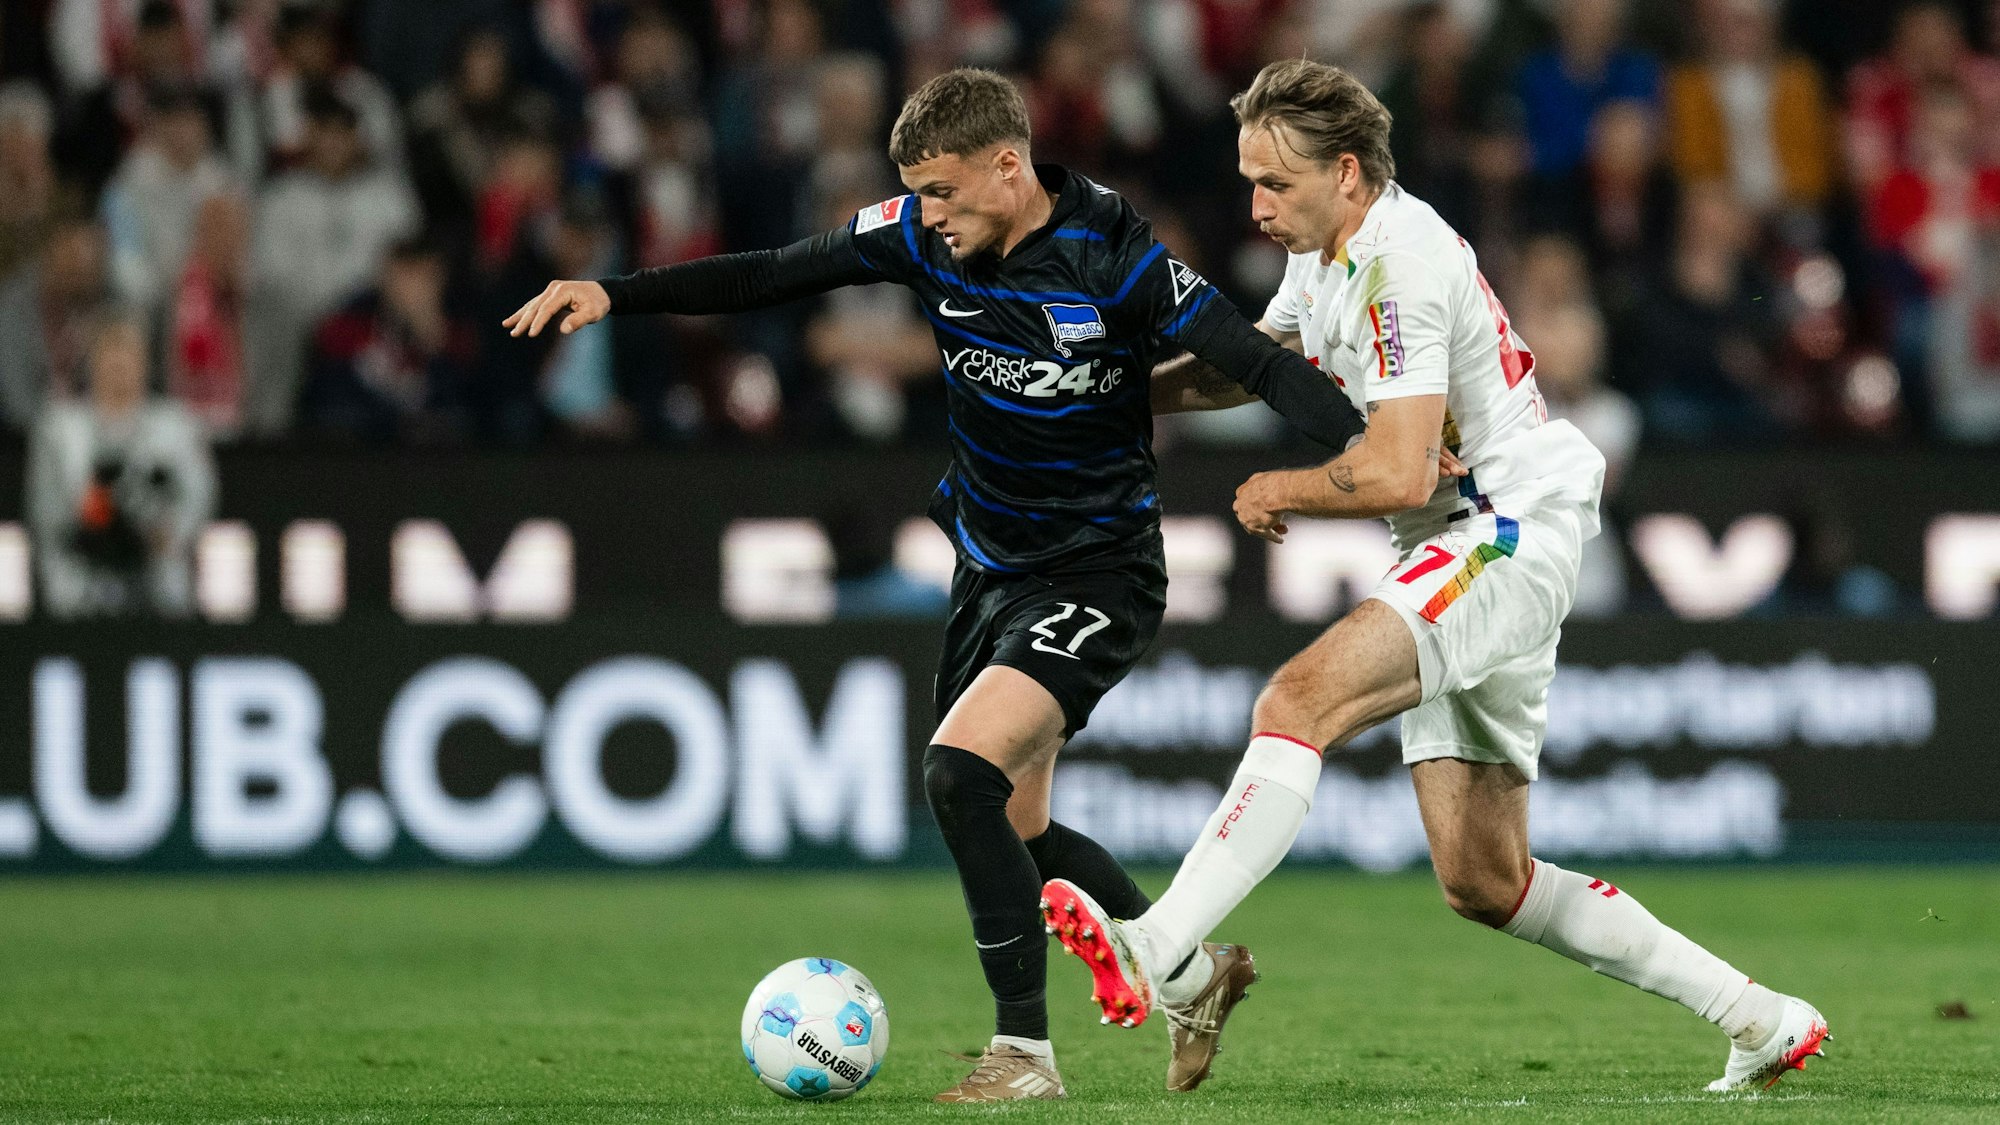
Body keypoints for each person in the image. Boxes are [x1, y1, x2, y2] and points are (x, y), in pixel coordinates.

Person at [507, 67, 1424, 1103]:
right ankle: (1190, 973)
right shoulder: (912, 232)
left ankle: (1022, 1056)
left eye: (941, 190)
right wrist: (613, 294)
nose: (925, 214)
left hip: (1099, 572)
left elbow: (1257, 367)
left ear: (1006, 165)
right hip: (988, 570)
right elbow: (770, 272)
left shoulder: (1114, 258)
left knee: (956, 775)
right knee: (1018, 828)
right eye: (916, 193)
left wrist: (1394, 450)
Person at [1041, 58, 1831, 1096]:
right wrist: (1108, 399)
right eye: (1248, 180)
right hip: (1460, 539)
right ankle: (1758, 1016)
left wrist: (1280, 486)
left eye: (1275, 183)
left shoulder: (1399, 259)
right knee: (1482, 878)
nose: (1255, 205)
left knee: (1296, 700)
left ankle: (1163, 948)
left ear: (1352, 174)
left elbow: (1398, 467)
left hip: (1498, 527)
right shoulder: (1327, 252)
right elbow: (1253, 363)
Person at [27, 307, 215, 618]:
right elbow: (46, 513)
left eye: (127, 350)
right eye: (109, 350)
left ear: (144, 360)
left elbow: (199, 497)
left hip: (159, 588)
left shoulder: (176, 427)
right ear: (92, 361)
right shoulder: (60, 430)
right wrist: (88, 515)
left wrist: (166, 528)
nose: (118, 362)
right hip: (78, 588)